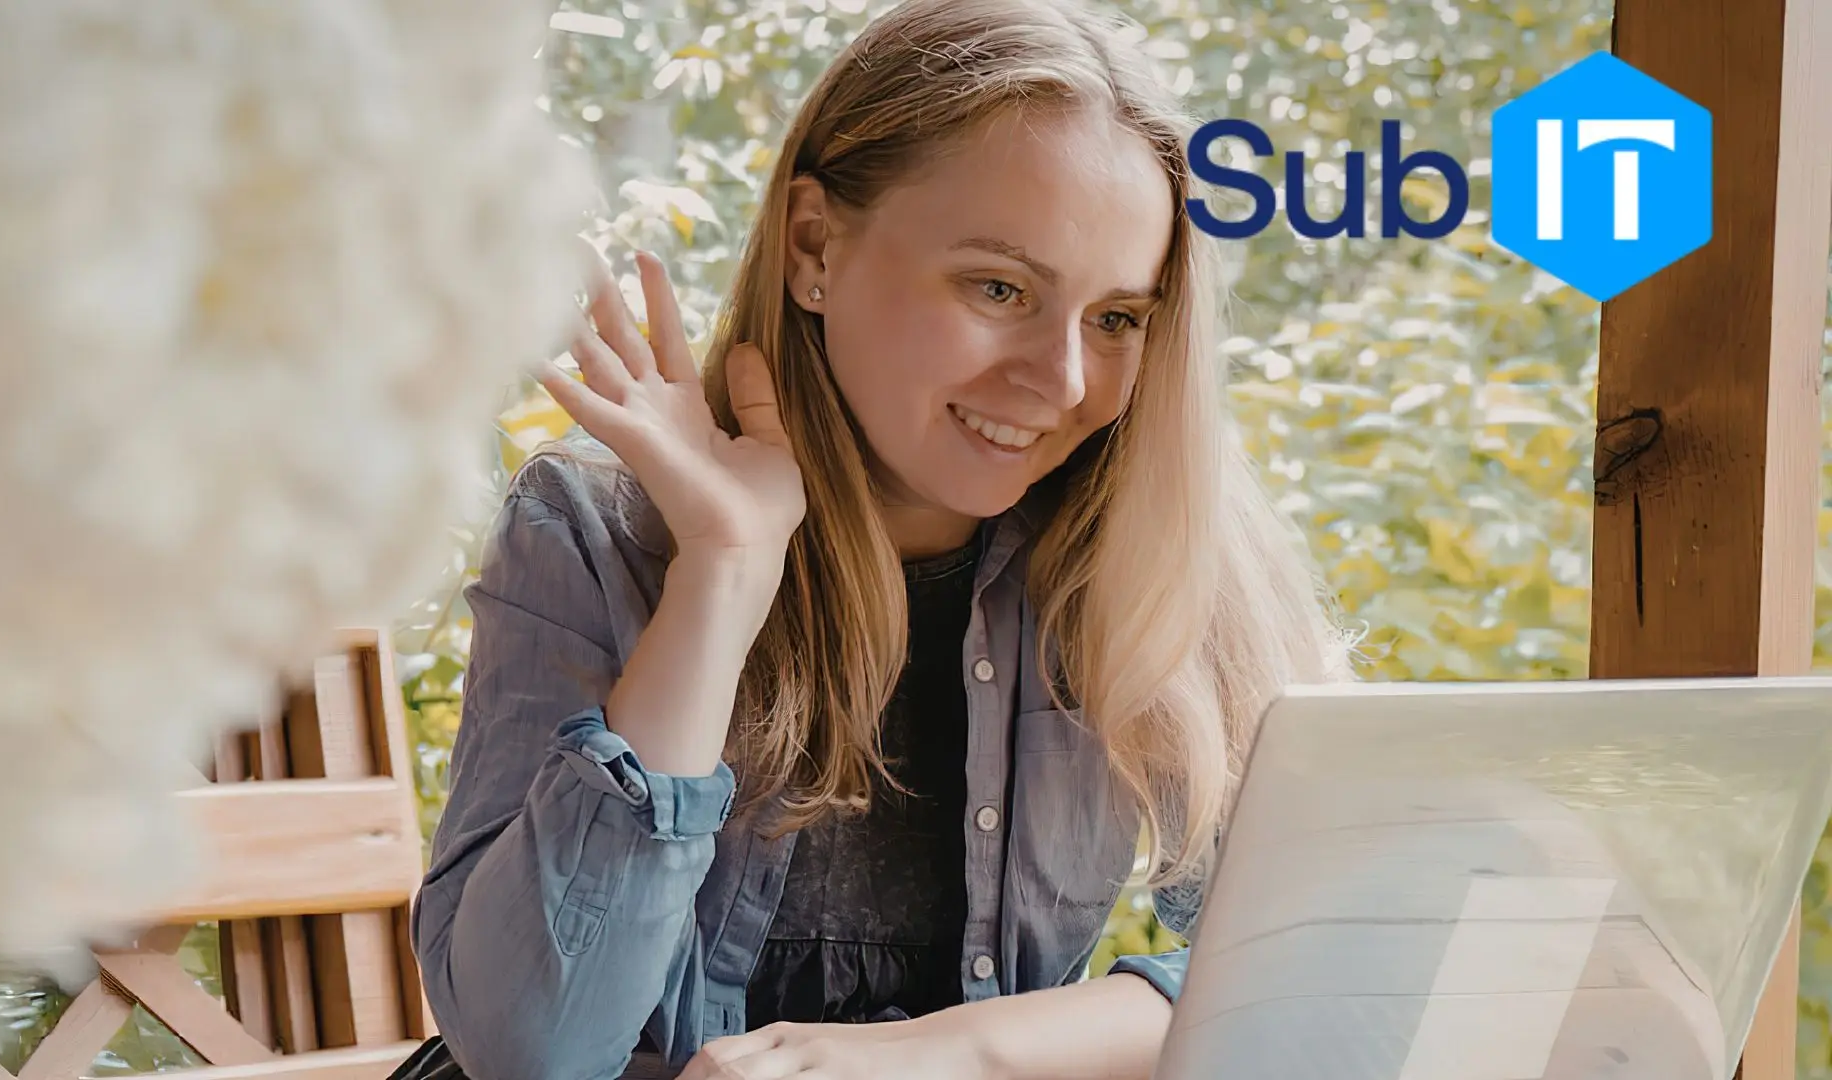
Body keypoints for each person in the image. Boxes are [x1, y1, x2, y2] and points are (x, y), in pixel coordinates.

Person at [403, 0, 1349, 1076]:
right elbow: (533, 1050)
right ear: (815, 245)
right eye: (1000, 288)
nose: (1066, 380)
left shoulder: (1152, 542)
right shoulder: (597, 531)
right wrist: (725, 573)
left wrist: (967, 1051)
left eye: (1116, 319)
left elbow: (1328, 962)